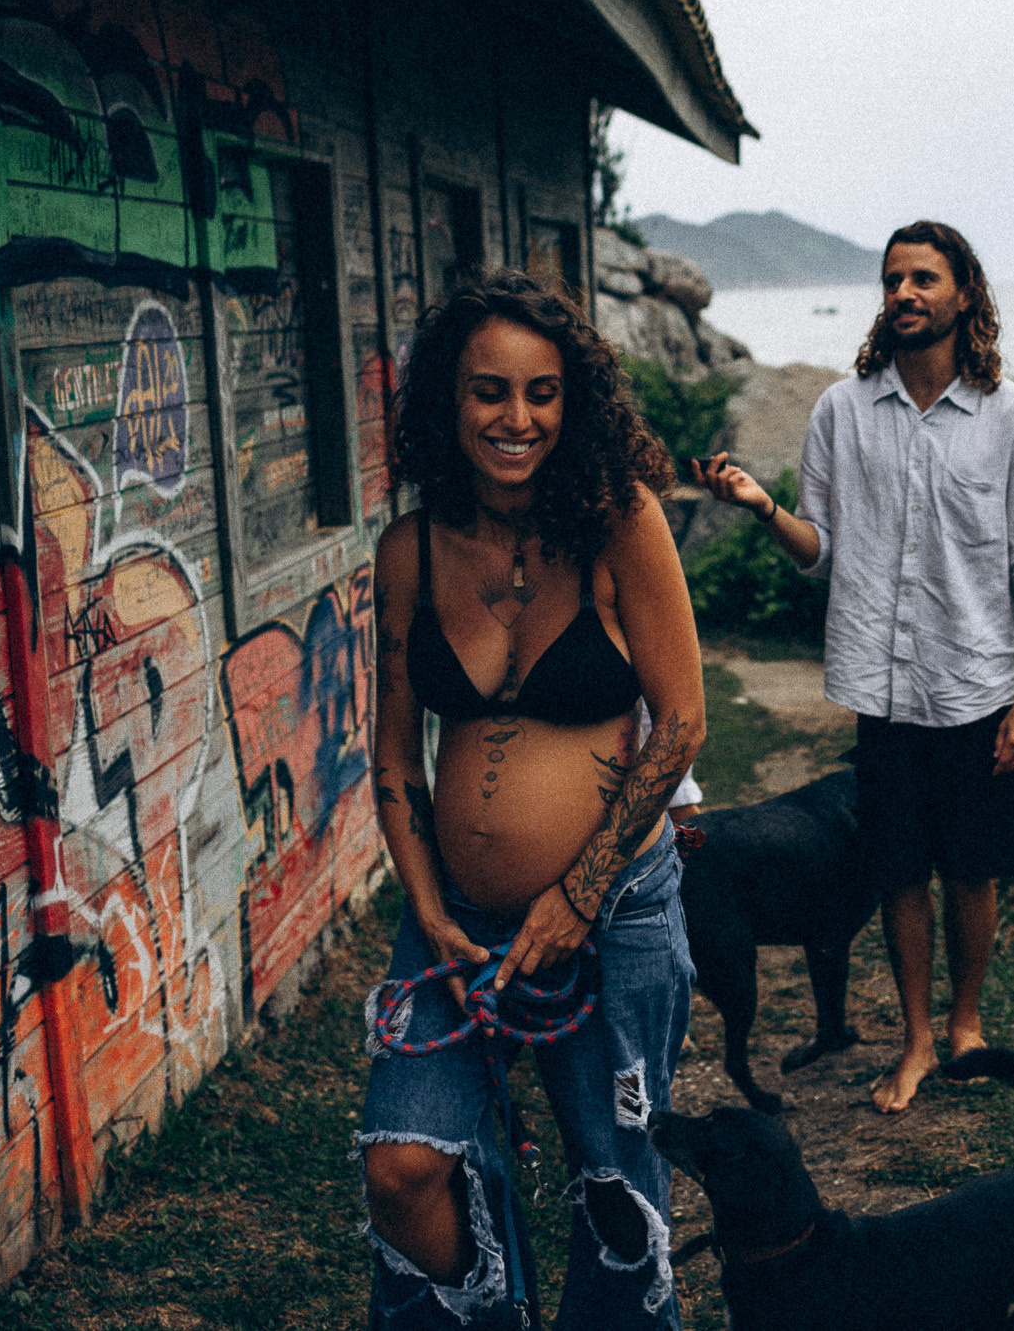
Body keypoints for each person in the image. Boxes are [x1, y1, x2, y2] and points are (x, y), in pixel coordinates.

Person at [359, 270, 705, 1329]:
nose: (517, 419)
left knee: (609, 1184)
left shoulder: (618, 522)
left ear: (573, 401)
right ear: (446, 404)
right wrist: (424, 906)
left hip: (611, 916)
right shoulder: (409, 551)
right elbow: (393, 757)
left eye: (542, 393)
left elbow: (680, 723)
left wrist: (575, 895)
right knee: (404, 1166)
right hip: (454, 925)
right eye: (488, 392)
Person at [691, 220, 1014, 1115]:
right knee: (898, 869)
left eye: (924, 279)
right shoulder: (840, 410)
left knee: (970, 868)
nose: (904, 292)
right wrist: (760, 505)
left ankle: (967, 1024)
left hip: (977, 683)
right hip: (887, 689)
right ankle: (917, 1040)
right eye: (893, 279)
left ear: (964, 294)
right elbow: (816, 548)